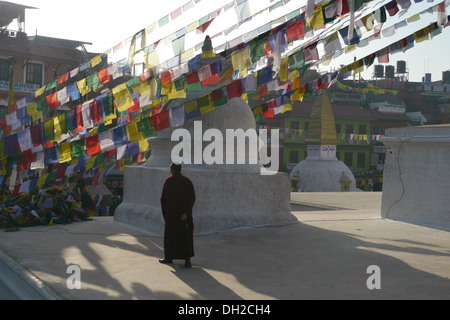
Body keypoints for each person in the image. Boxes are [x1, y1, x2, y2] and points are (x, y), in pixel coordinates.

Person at [159, 163, 196, 268]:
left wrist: (166, 214)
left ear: (172, 170)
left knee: (171, 237)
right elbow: (192, 198)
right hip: (184, 216)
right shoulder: (187, 181)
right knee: (185, 237)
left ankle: (168, 258)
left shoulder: (169, 181)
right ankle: (187, 260)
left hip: (171, 215)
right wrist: (186, 212)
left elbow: (163, 199)